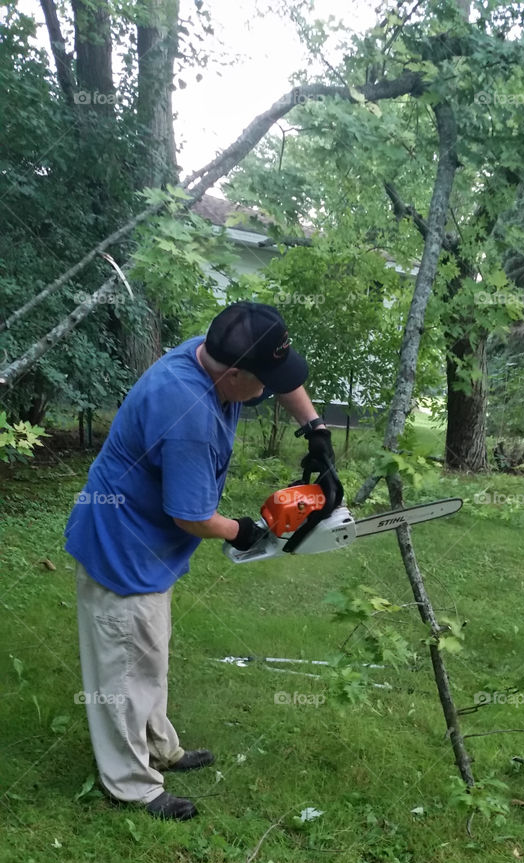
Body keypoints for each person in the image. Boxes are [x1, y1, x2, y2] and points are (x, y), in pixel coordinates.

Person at [65, 301, 339, 820]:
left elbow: (281, 381)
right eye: (263, 380)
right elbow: (191, 516)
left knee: (149, 649)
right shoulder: (184, 410)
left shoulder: (219, 349)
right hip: (122, 545)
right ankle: (131, 783)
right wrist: (245, 531)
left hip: (150, 543)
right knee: (123, 666)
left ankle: (160, 747)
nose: (270, 389)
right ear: (234, 374)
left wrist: (316, 431)